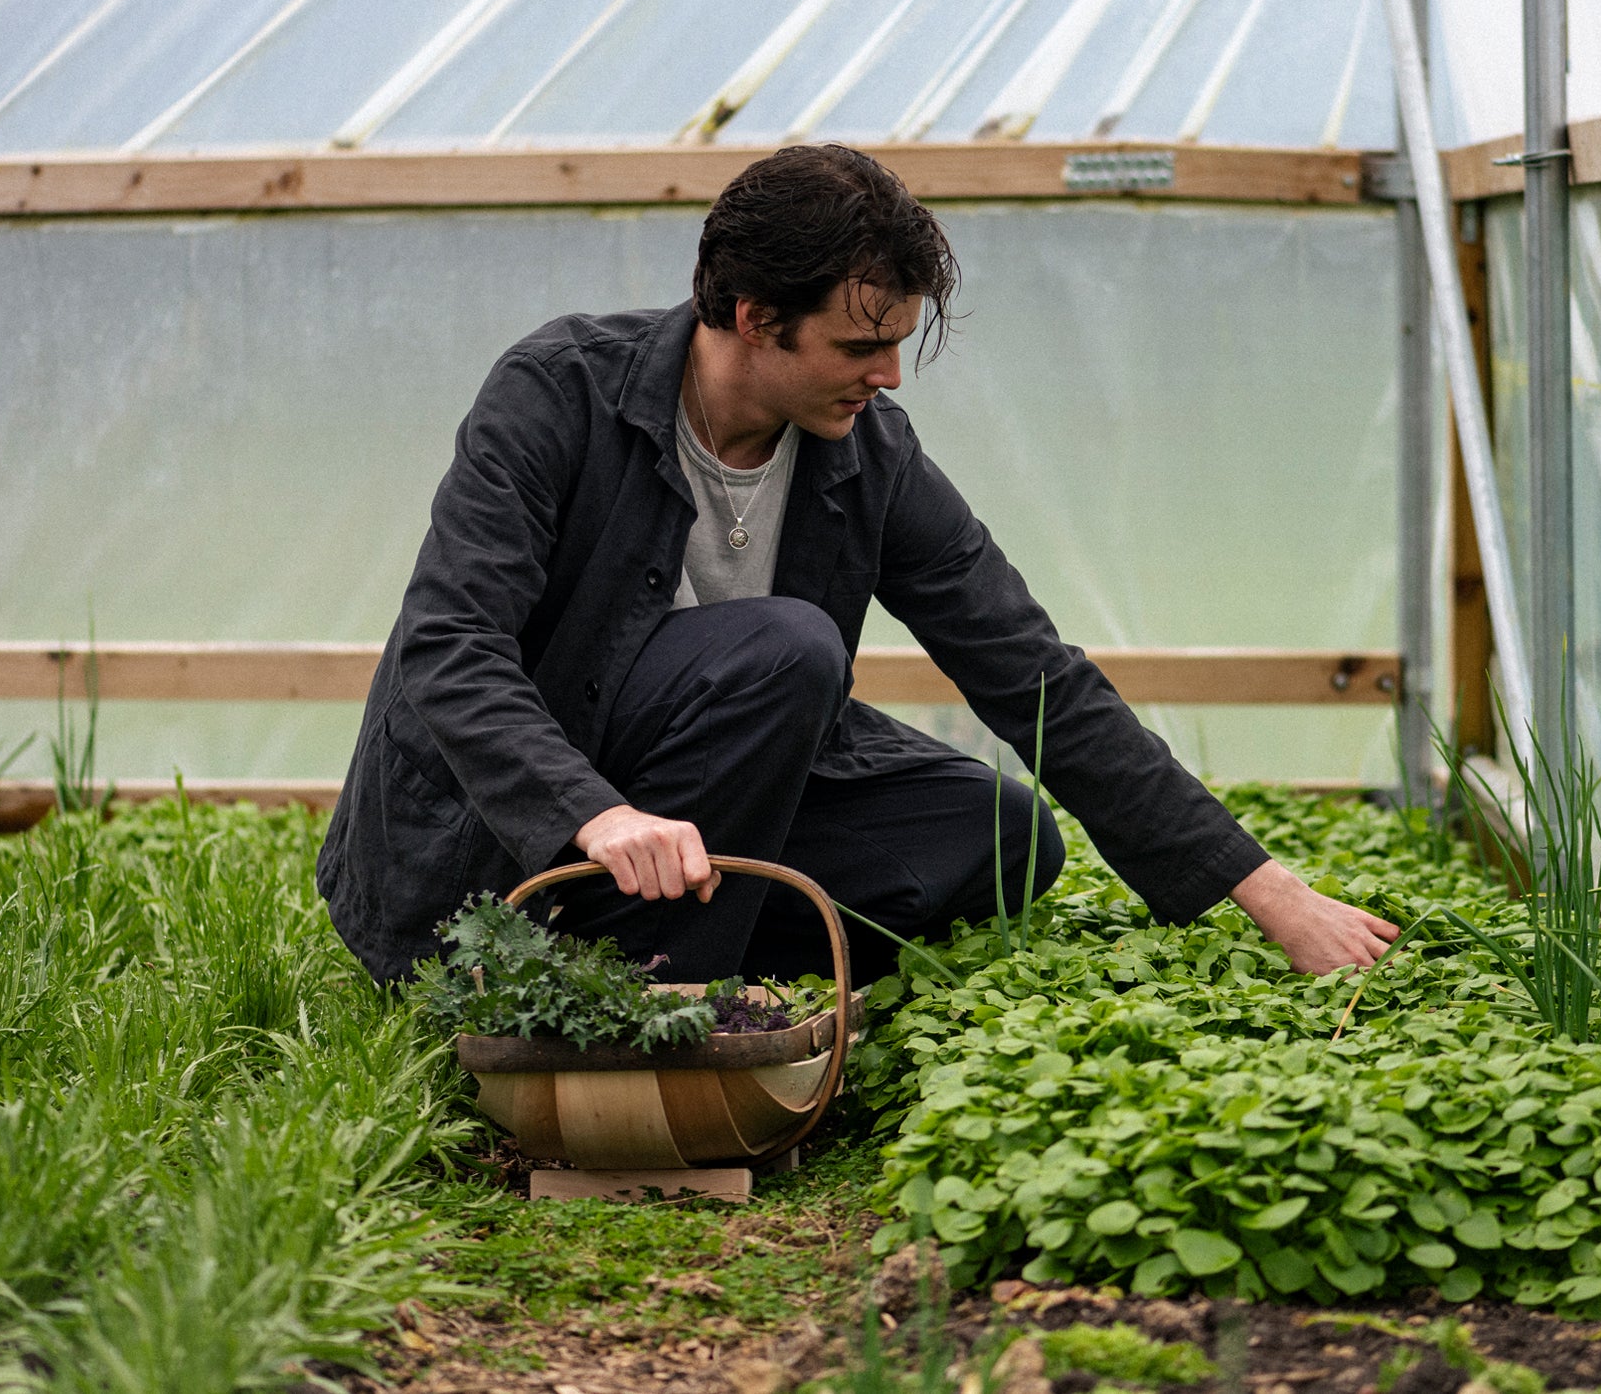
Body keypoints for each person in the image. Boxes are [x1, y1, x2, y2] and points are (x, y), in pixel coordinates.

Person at [318, 144, 1398, 988]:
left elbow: (1028, 673)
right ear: (752, 319)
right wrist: (594, 816)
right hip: (500, 849)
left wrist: (1266, 892)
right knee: (786, 647)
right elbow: (449, 649)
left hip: (702, 808)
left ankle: (684, 954)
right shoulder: (558, 392)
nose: (886, 377)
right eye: (856, 347)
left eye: (898, 344)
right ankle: (640, 1003)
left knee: (1001, 837)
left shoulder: (865, 452)